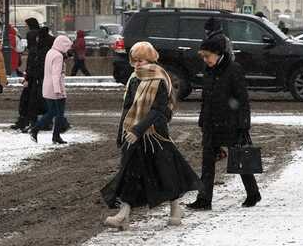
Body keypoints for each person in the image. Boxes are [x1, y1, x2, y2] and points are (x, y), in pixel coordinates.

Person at [101, 42, 201, 229]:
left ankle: (175, 208)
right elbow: (127, 107)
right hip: (133, 134)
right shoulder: (133, 78)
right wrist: (121, 132)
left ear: (150, 59)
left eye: (141, 60)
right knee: (131, 173)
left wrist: (138, 130)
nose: (137, 64)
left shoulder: (159, 79)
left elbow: (158, 111)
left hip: (155, 135)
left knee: (165, 172)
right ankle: (124, 214)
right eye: (135, 61)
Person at [187, 33, 261, 210]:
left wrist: (244, 124)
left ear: (219, 53)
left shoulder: (233, 69)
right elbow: (205, 98)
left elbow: (242, 100)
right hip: (211, 123)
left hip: (231, 123)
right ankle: (204, 199)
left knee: (240, 159)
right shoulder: (208, 70)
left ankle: (253, 193)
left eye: (208, 56)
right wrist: (202, 120)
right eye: (203, 56)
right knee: (207, 162)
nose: (205, 60)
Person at [30, 35, 72, 144]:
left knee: (51, 112)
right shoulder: (58, 56)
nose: (68, 50)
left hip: (48, 87)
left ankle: (36, 129)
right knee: (59, 114)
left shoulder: (51, 52)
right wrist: (58, 90)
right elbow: (56, 74)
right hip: (56, 88)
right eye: (67, 47)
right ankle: (55, 136)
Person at [11, 18, 40, 130]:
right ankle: (29, 121)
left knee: (27, 100)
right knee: (32, 100)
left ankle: (27, 122)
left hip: (33, 78)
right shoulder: (37, 46)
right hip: (36, 77)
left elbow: (30, 66)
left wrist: (27, 77)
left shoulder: (33, 49)